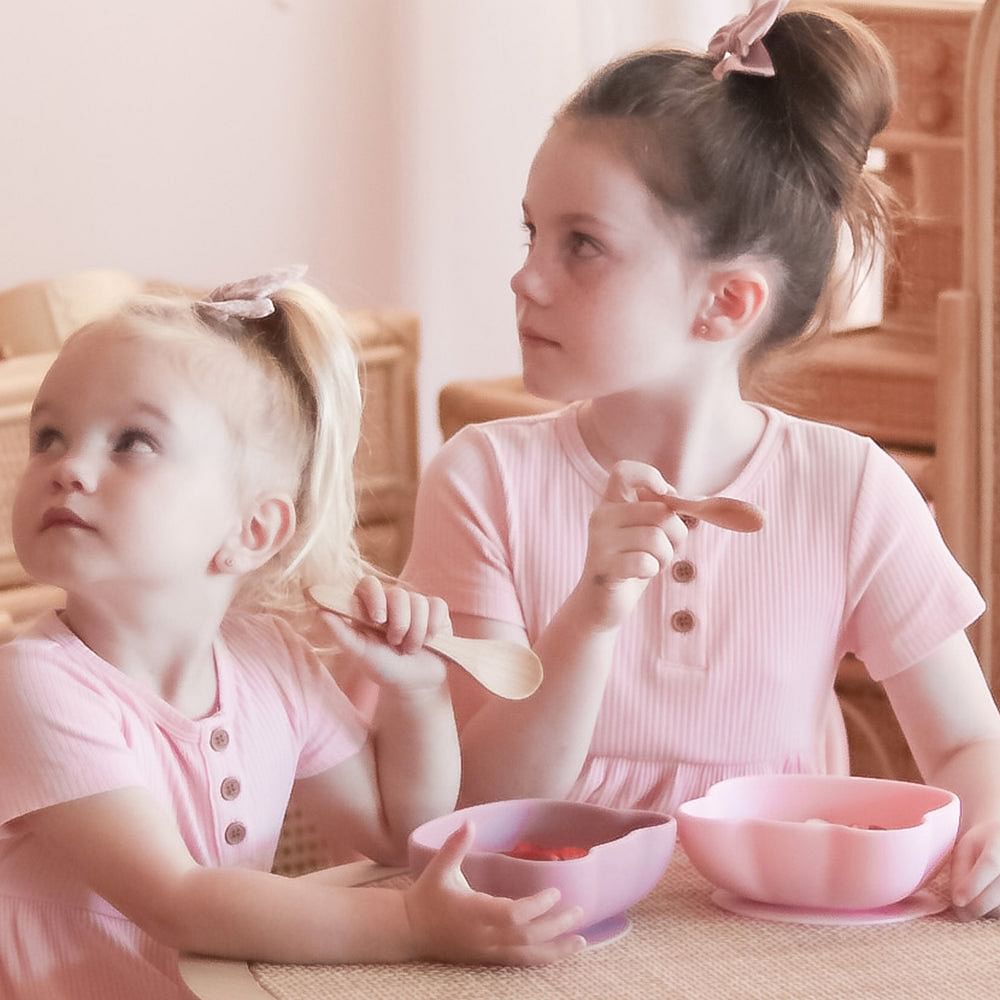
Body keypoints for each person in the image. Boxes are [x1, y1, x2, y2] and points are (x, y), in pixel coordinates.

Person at [402, 0, 1000, 920]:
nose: (526, 276)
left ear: (725, 304)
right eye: (532, 233)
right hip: (545, 941)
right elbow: (472, 805)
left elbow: (964, 742)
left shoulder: (849, 489)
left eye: (582, 245)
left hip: (788, 945)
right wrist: (592, 613)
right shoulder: (483, 483)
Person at [0, 268, 584, 1000]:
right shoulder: (36, 683)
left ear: (252, 530)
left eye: (132, 442)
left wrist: (418, 693)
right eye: (49, 437)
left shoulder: (269, 661)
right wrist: (406, 925)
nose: (67, 469)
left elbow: (401, 833)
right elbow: (177, 901)